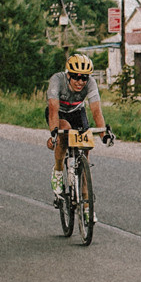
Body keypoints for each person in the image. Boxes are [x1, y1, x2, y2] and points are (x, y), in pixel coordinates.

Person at [44, 52, 111, 198]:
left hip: (77, 112)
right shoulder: (57, 80)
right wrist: (54, 134)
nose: (80, 81)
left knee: (85, 150)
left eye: (84, 77)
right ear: (68, 75)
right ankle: (58, 170)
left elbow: (96, 111)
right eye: (76, 77)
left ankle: (86, 204)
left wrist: (103, 135)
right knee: (65, 132)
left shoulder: (91, 83)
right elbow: (53, 110)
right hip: (59, 113)